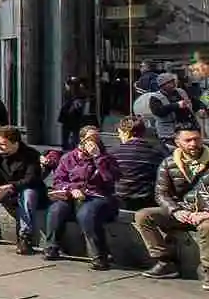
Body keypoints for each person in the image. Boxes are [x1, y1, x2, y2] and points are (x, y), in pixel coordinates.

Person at [133, 125, 209, 285]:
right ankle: (165, 262)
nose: (193, 144)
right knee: (143, 215)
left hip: (205, 214)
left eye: (196, 139)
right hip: (183, 211)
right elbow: (161, 194)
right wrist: (176, 211)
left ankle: (207, 270)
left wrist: (206, 213)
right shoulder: (168, 163)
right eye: (188, 140)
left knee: (207, 226)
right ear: (177, 142)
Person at [44, 126, 119, 269]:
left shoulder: (107, 158)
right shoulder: (69, 158)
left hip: (98, 196)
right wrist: (72, 189)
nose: (94, 142)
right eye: (90, 138)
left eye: (97, 138)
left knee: (86, 214)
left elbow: (110, 179)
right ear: (82, 140)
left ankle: (99, 256)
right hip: (73, 196)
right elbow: (58, 181)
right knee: (56, 209)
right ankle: (52, 247)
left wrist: (98, 159)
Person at [0, 125, 44, 253]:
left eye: (3, 144)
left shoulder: (30, 154)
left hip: (21, 188)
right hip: (0, 188)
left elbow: (31, 179)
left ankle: (25, 237)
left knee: (28, 194)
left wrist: (8, 188)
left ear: (15, 143)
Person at [112, 115, 164, 210]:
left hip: (119, 202)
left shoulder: (114, 152)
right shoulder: (156, 153)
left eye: (120, 133)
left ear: (127, 133)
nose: (119, 136)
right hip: (147, 203)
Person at [148, 73, 199, 147]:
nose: (173, 84)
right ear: (162, 85)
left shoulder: (181, 92)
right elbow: (158, 111)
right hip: (168, 133)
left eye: (173, 81)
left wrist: (201, 108)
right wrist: (176, 105)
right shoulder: (155, 97)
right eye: (169, 82)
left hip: (186, 129)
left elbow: (194, 101)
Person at [56, 77, 94, 150]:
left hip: (70, 117)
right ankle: (72, 146)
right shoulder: (77, 94)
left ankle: (69, 146)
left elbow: (70, 107)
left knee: (70, 133)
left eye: (67, 84)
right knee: (74, 133)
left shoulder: (74, 95)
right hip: (73, 117)